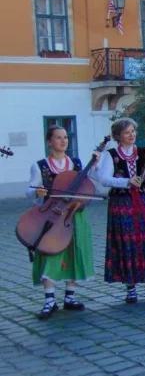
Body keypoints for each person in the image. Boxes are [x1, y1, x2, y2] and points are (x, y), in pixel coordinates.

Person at [97, 118, 145, 303]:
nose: (131, 135)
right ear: (118, 136)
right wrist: (126, 182)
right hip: (122, 203)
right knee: (127, 242)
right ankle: (130, 288)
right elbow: (103, 178)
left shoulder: (143, 152)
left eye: (133, 131)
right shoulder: (111, 154)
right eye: (127, 132)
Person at [26, 126, 99, 320]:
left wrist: (93, 167)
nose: (63, 141)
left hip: (74, 214)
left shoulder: (76, 163)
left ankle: (70, 297)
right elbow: (30, 190)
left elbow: (87, 185)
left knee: (75, 251)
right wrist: (37, 192)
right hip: (51, 215)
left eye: (65, 137)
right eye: (58, 138)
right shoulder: (40, 166)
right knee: (49, 252)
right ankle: (50, 300)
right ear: (49, 142)